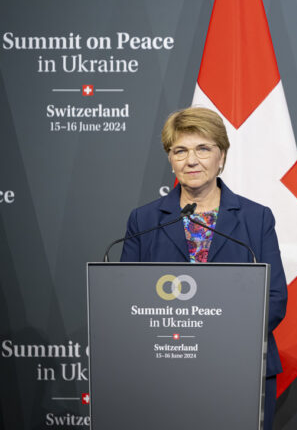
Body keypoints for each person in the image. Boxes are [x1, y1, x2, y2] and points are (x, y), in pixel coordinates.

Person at [120, 107, 287, 429]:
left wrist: (212, 343)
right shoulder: (143, 221)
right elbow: (128, 301)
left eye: (203, 149)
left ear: (221, 156)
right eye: (180, 150)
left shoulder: (256, 217)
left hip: (239, 368)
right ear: (170, 159)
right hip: (163, 372)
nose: (191, 160)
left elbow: (274, 298)